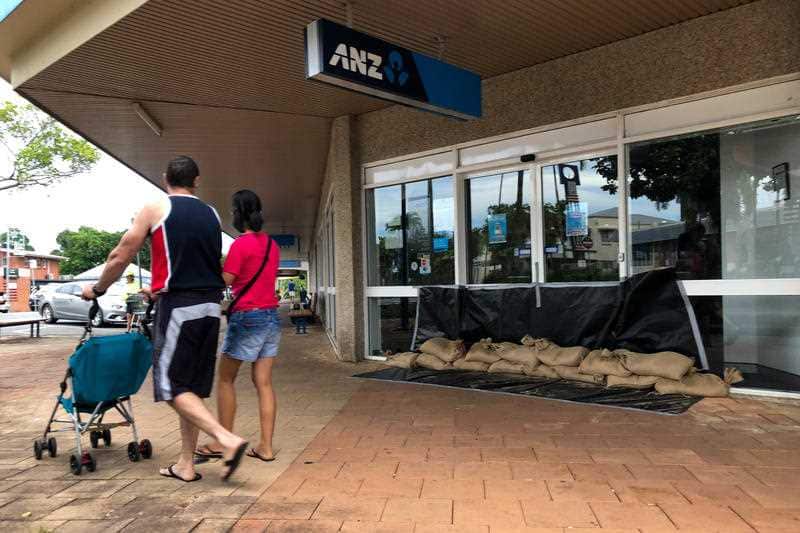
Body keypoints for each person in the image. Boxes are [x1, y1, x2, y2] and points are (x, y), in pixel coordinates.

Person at [81, 155, 248, 483]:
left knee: (170, 386)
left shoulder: (155, 208)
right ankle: (186, 464)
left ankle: (228, 440)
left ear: (164, 178)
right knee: (190, 389)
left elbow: (122, 252)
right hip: (211, 308)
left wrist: (98, 289)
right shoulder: (211, 214)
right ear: (196, 180)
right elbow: (196, 261)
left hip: (181, 308)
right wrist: (157, 290)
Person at [196, 190, 281, 462]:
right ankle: (266, 447)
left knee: (225, 379)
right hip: (270, 317)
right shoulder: (272, 245)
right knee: (264, 383)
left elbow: (226, 280)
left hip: (247, 317)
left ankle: (223, 441)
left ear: (236, 213)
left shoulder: (240, 245)